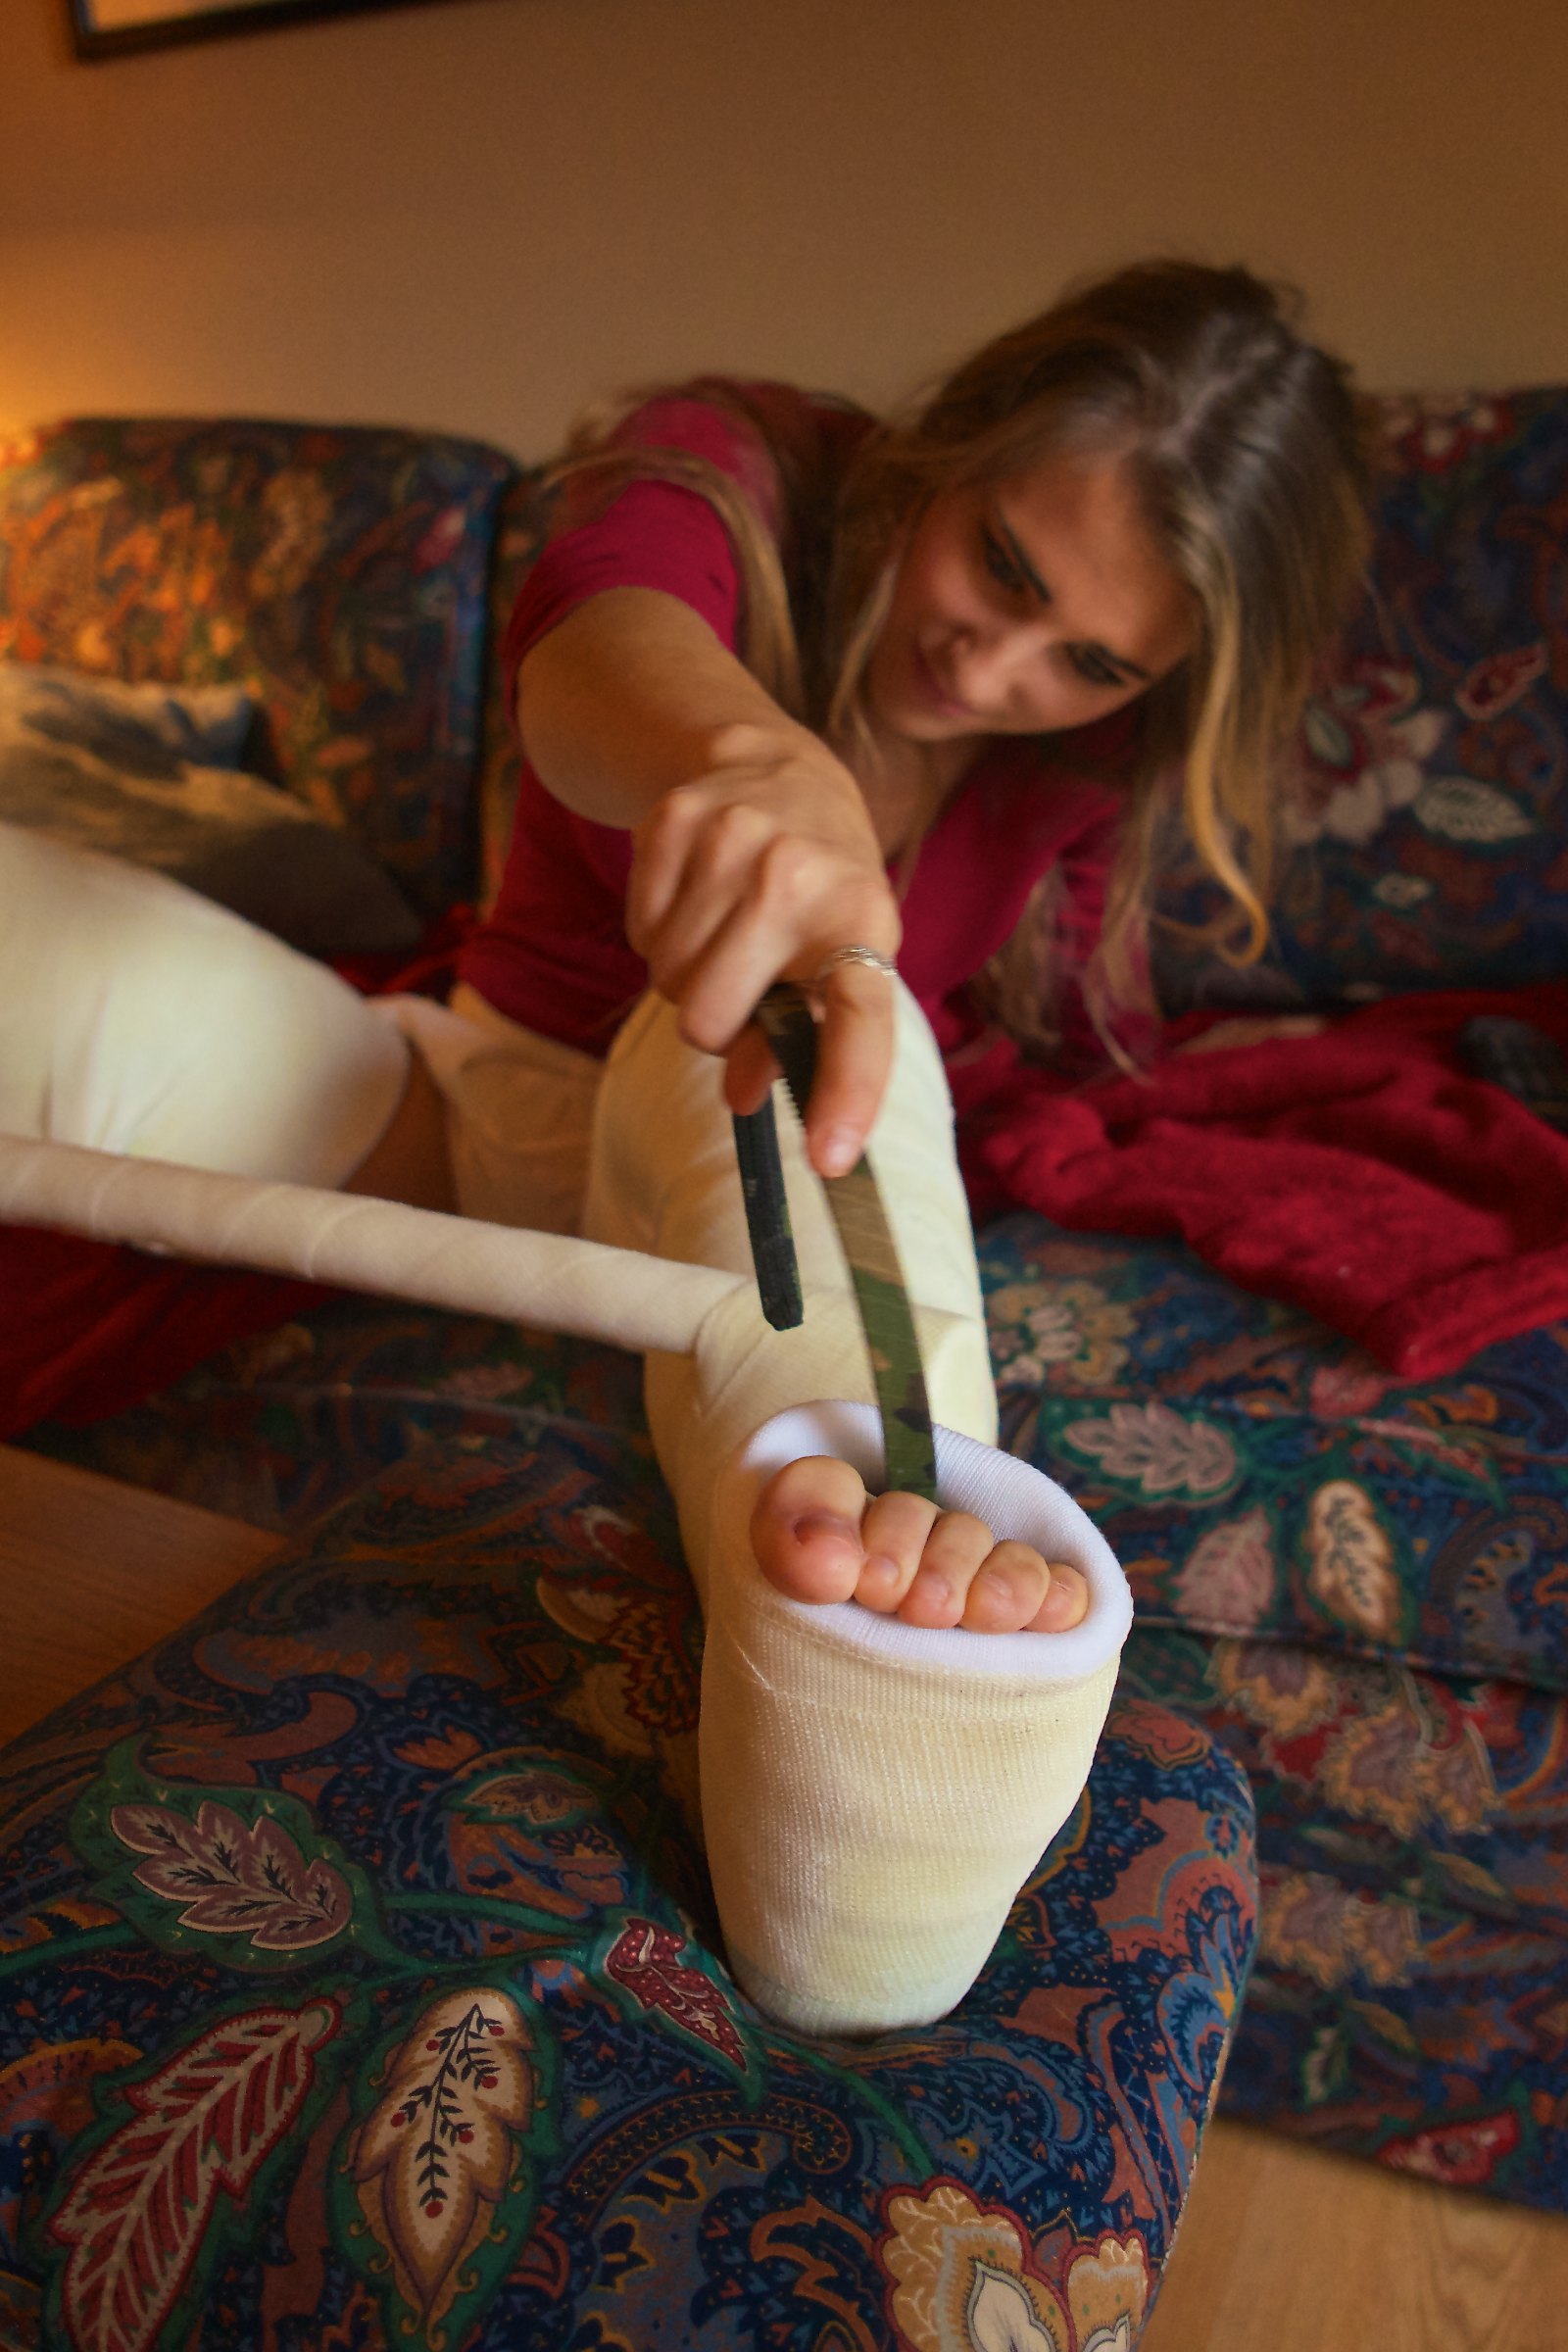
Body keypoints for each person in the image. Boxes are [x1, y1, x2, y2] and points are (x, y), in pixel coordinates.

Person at [2, 259, 1369, 1650]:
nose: (989, 667)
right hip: (458, 1111)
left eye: (1089, 662)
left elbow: (1046, 1023)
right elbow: (593, 640)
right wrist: (759, 766)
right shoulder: (742, 470)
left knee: (819, 1025)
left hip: (741, 1149)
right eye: (1002, 565)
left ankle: (881, 1557)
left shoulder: (1101, 751)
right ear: (956, 444)